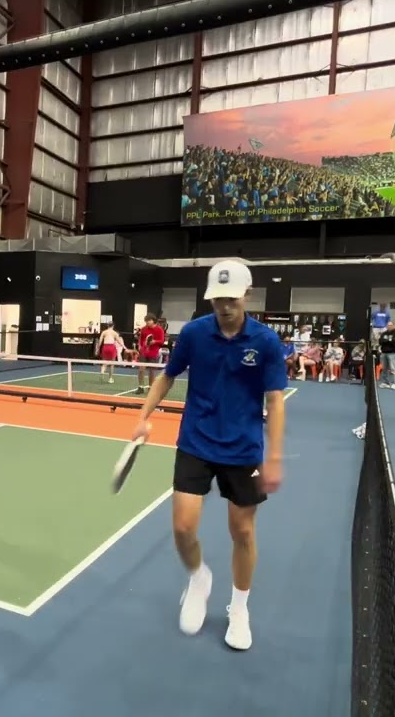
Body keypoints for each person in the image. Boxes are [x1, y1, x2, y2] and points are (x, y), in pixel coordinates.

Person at [130, 259, 287, 651]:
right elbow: (168, 375)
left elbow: (276, 400)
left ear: (247, 295)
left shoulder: (265, 342)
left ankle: (239, 608)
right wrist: (143, 415)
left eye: (231, 298)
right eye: (217, 299)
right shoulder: (195, 334)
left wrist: (275, 457)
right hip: (196, 441)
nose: (224, 305)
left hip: (244, 448)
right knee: (183, 528)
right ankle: (199, 578)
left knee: (243, 532)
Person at [135, 314, 167, 395]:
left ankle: (150, 388)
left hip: (154, 352)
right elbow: (141, 339)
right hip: (144, 352)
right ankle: (140, 387)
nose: (147, 322)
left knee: (152, 371)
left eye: (149, 320)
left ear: (153, 320)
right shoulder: (144, 329)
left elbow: (162, 341)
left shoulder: (159, 329)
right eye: (146, 321)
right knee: (141, 369)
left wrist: (154, 341)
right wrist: (140, 346)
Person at [377, 321, 395, 388]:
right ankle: (385, 382)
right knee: (384, 369)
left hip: (393, 353)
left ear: (393, 326)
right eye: (388, 325)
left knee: (393, 369)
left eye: (391, 325)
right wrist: (389, 340)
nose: (389, 326)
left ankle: (394, 383)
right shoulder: (384, 333)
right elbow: (380, 341)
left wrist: (386, 341)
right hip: (384, 353)